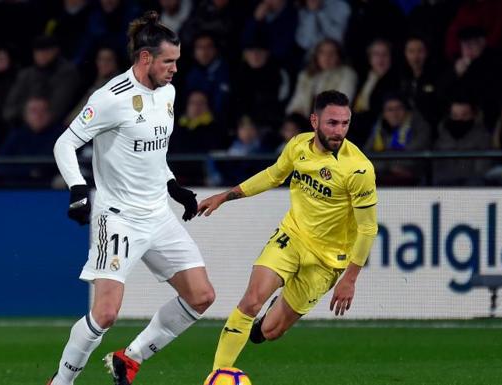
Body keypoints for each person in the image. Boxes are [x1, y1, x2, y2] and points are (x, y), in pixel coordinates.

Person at [48, 11, 215, 385]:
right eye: (168, 62)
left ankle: (130, 358)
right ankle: (61, 382)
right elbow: (65, 143)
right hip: (119, 217)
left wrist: (172, 184)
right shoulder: (111, 98)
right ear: (145, 59)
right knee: (105, 314)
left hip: (158, 213)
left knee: (202, 296)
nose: (175, 69)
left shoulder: (168, 93)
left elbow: (153, 152)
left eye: (177, 61)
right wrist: (78, 188)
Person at [197, 90, 378, 371]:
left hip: (326, 261)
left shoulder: (359, 169)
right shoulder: (298, 146)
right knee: (250, 301)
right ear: (314, 121)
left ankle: (269, 317)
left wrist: (350, 279)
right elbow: (272, 175)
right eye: (332, 123)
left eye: (345, 123)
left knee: (270, 331)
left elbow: (367, 227)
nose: (339, 131)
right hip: (291, 237)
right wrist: (225, 196)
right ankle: (217, 375)